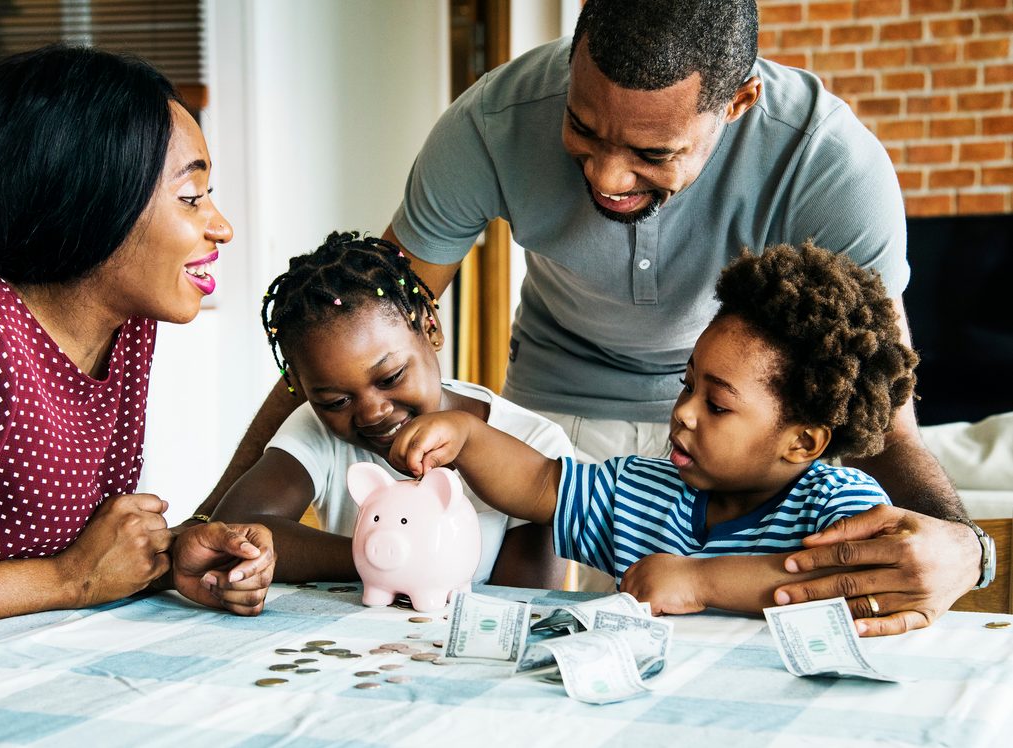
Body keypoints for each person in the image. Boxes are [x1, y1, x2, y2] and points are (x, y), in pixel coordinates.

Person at [197, 0, 986, 634]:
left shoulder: (828, 164)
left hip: (743, 419)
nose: (608, 176)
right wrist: (203, 526)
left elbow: (888, 422)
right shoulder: (489, 125)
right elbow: (358, 319)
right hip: (555, 415)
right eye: (583, 128)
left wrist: (965, 548)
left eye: (653, 153)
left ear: (739, 101)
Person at [0, 46, 273, 648]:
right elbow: (66, 573)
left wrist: (172, 554)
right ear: (90, 198)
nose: (221, 226)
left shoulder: (124, 327)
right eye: (190, 197)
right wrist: (65, 581)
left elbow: (78, 555)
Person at [391, 243, 917, 619]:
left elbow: (842, 585)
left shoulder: (839, 506)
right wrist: (467, 437)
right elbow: (539, 485)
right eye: (688, 387)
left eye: (717, 405)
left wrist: (698, 581)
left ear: (802, 442)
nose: (684, 413)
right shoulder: (642, 491)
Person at [173, 231, 572, 590]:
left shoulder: (535, 443)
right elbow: (240, 527)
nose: (372, 413)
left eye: (391, 377)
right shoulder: (317, 428)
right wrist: (378, 556)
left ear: (429, 328)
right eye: (336, 402)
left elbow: (524, 601)